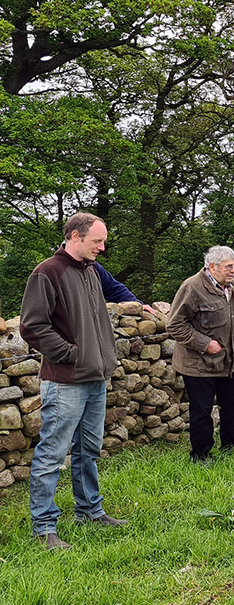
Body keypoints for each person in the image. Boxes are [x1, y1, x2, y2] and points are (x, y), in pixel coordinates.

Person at [20, 213, 128, 550]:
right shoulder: (48, 271)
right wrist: (72, 353)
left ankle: (90, 511)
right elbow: (32, 326)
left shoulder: (91, 271)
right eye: (97, 241)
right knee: (53, 454)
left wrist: (99, 358)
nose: (103, 247)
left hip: (95, 376)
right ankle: (44, 527)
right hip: (65, 379)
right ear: (76, 236)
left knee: (88, 450)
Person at [166, 246, 234, 463]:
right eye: (229, 266)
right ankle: (200, 456)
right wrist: (204, 343)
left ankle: (232, 450)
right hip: (198, 363)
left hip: (228, 362)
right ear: (212, 267)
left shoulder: (232, 286)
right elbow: (174, 325)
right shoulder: (192, 287)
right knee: (202, 411)